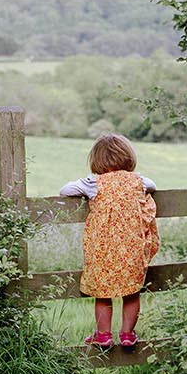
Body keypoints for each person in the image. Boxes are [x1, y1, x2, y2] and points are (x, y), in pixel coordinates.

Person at [59, 134, 160, 350]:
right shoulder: (138, 181)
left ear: (97, 160)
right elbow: (153, 185)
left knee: (103, 293)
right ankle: (127, 334)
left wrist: (85, 190)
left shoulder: (93, 183)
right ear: (128, 158)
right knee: (131, 291)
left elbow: (65, 190)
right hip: (131, 247)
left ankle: (103, 336)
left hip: (103, 248)